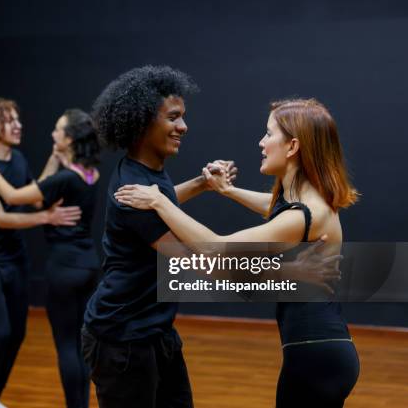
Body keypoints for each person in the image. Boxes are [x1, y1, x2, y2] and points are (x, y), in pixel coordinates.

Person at [115, 98, 360, 407]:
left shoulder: (304, 215)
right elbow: (274, 208)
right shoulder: (307, 200)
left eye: (269, 134)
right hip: (325, 351)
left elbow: (217, 249)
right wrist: (226, 190)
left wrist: (159, 201)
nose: (261, 142)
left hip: (315, 357)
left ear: (293, 146)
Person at [81, 65, 242, 408]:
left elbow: (162, 200)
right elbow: (197, 260)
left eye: (182, 117)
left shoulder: (148, 176)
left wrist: (202, 184)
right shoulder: (132, 192)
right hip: (122, 338)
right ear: (141, 123)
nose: (183, 127)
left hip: (155, 331)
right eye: (173, 118)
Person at [0, 108, 100, 408]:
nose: (52, 134)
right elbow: (41, 195)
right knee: (80, 344)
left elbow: (15, 198)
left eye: (57, 130)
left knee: (66, 345)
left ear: (68, 138)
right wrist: (55, 160)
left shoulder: (64, 178)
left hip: (64, 268)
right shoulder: (90, 173)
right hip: (89, 264)